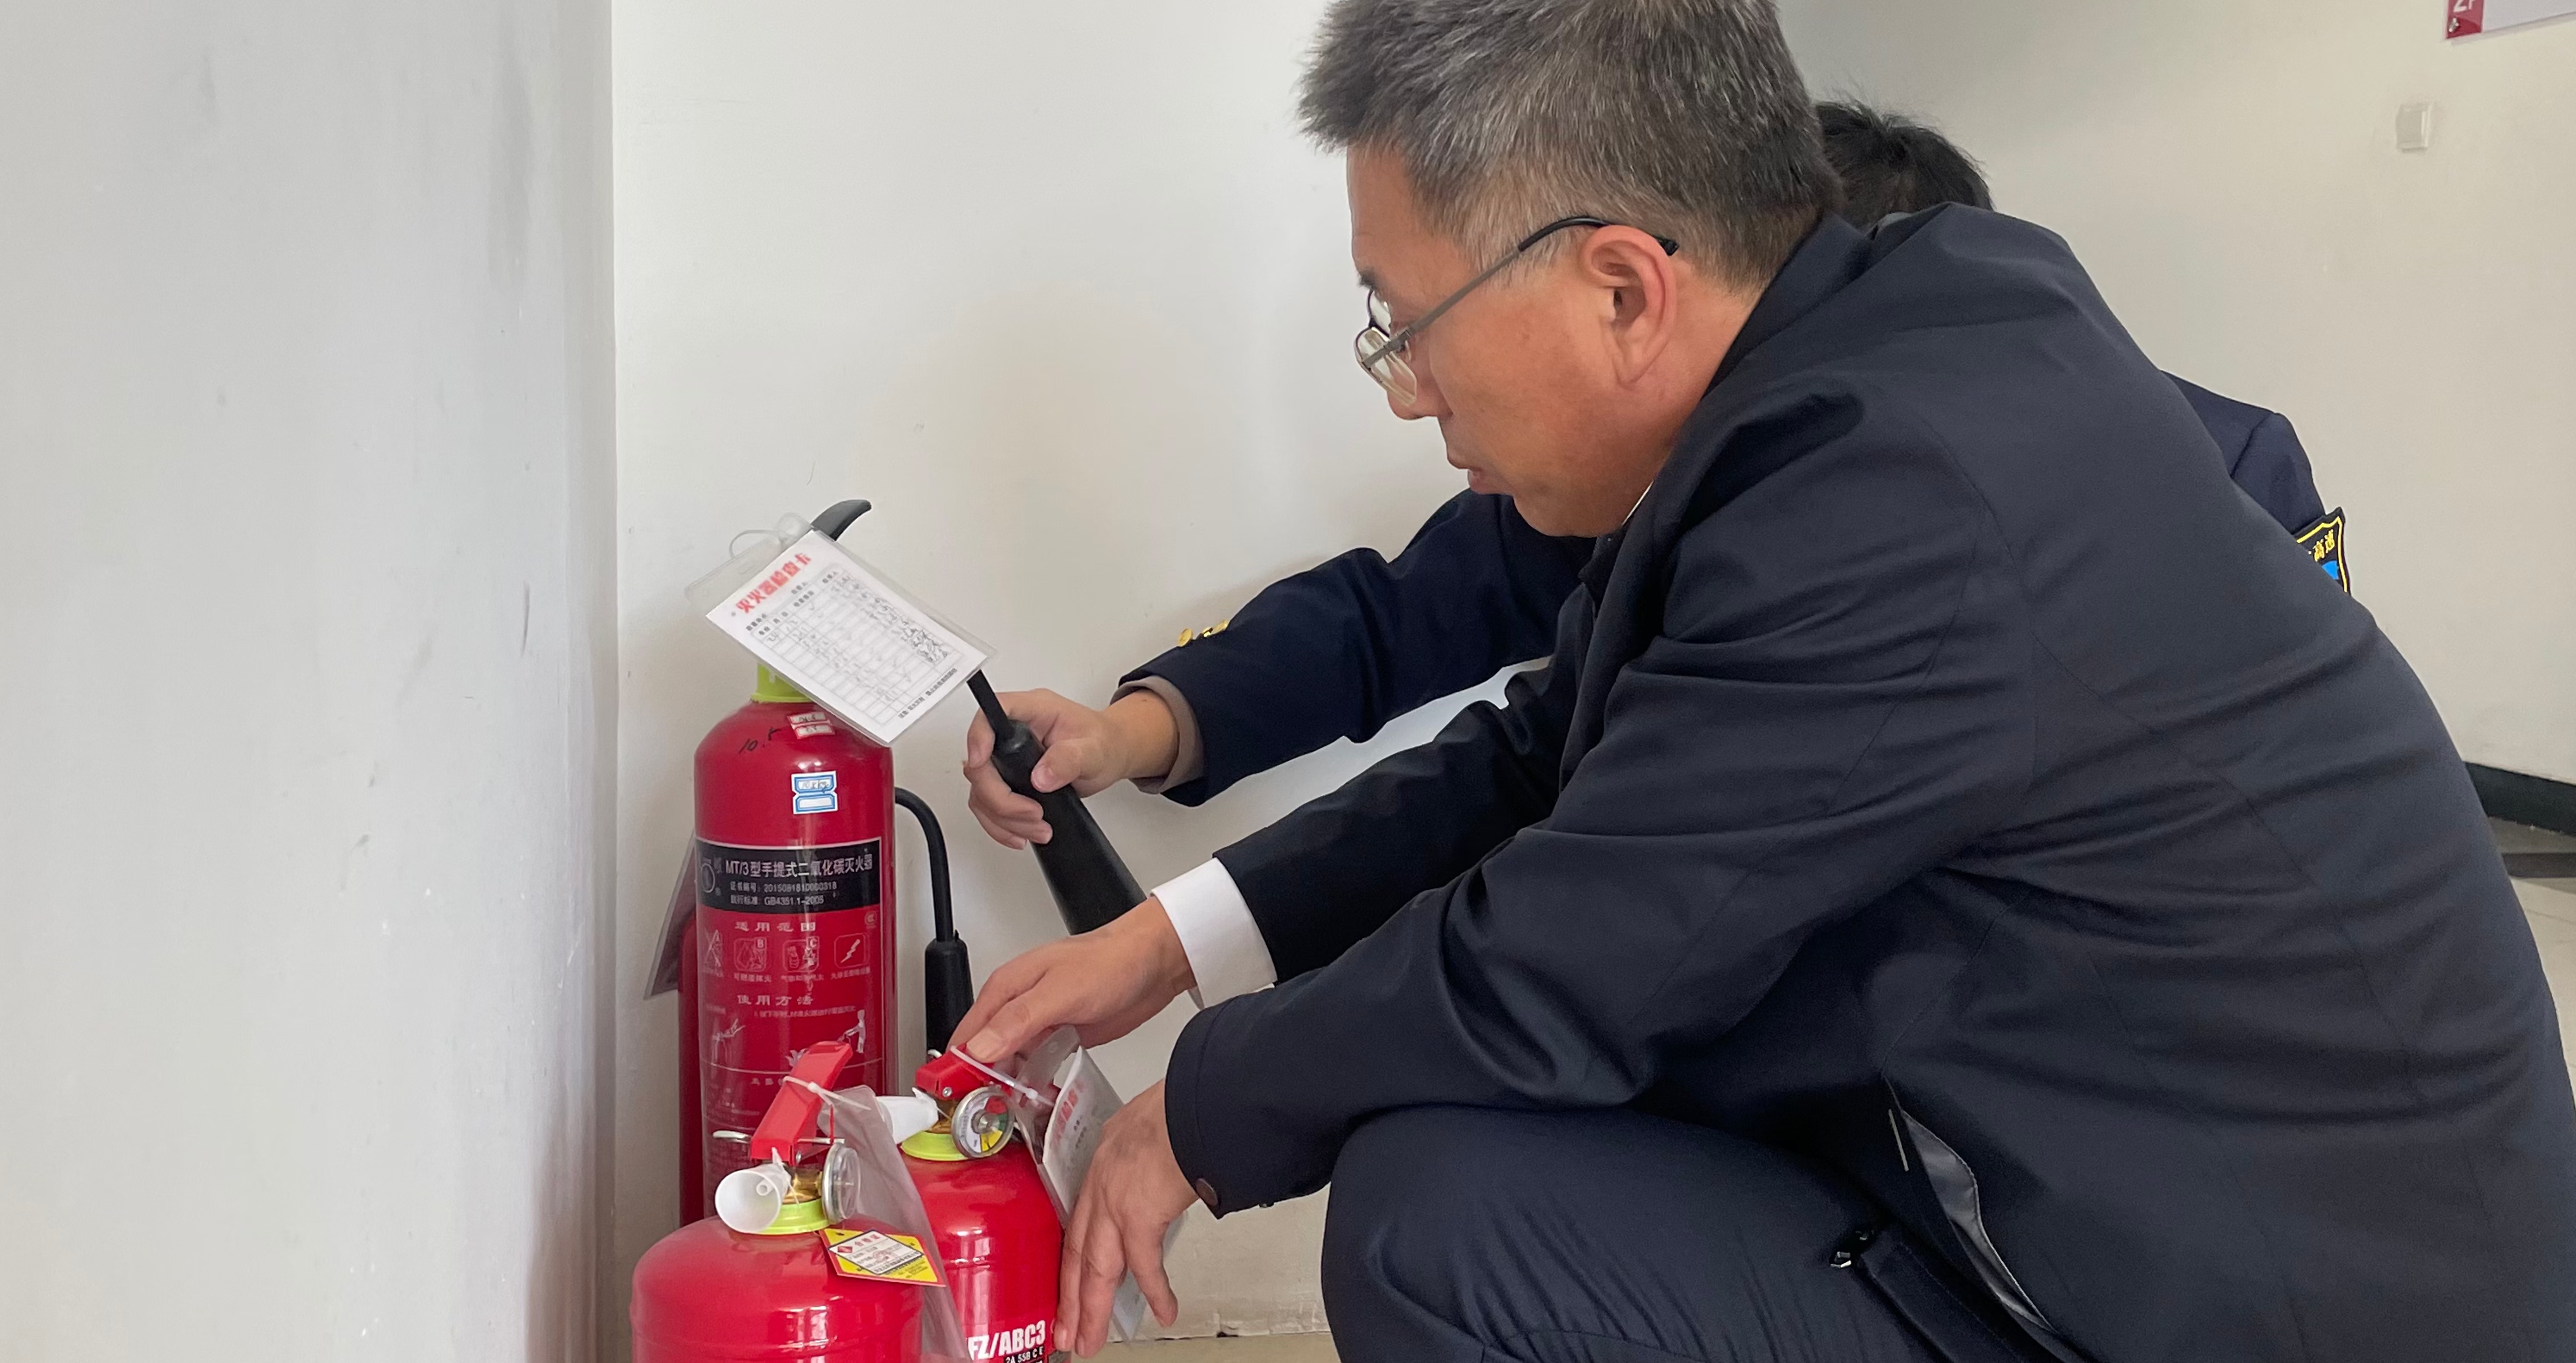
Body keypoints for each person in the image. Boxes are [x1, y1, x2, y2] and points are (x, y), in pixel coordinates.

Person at [951, 0, 2576, 1363]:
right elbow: (1543, 758)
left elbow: (1556, 964)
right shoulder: (1903, 371)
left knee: (1446, 1237)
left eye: (1404, 323)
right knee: (1513, 1139)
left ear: (1621, 285)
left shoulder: (1899, 508)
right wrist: (1168, 946)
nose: (1408, 391)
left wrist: (1197, 1112)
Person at [962, 103, 2341, 837]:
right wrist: (1135, 730)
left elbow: (2284, 818)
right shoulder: (1642, 464)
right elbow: (1401, 620)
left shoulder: (2227, 474)